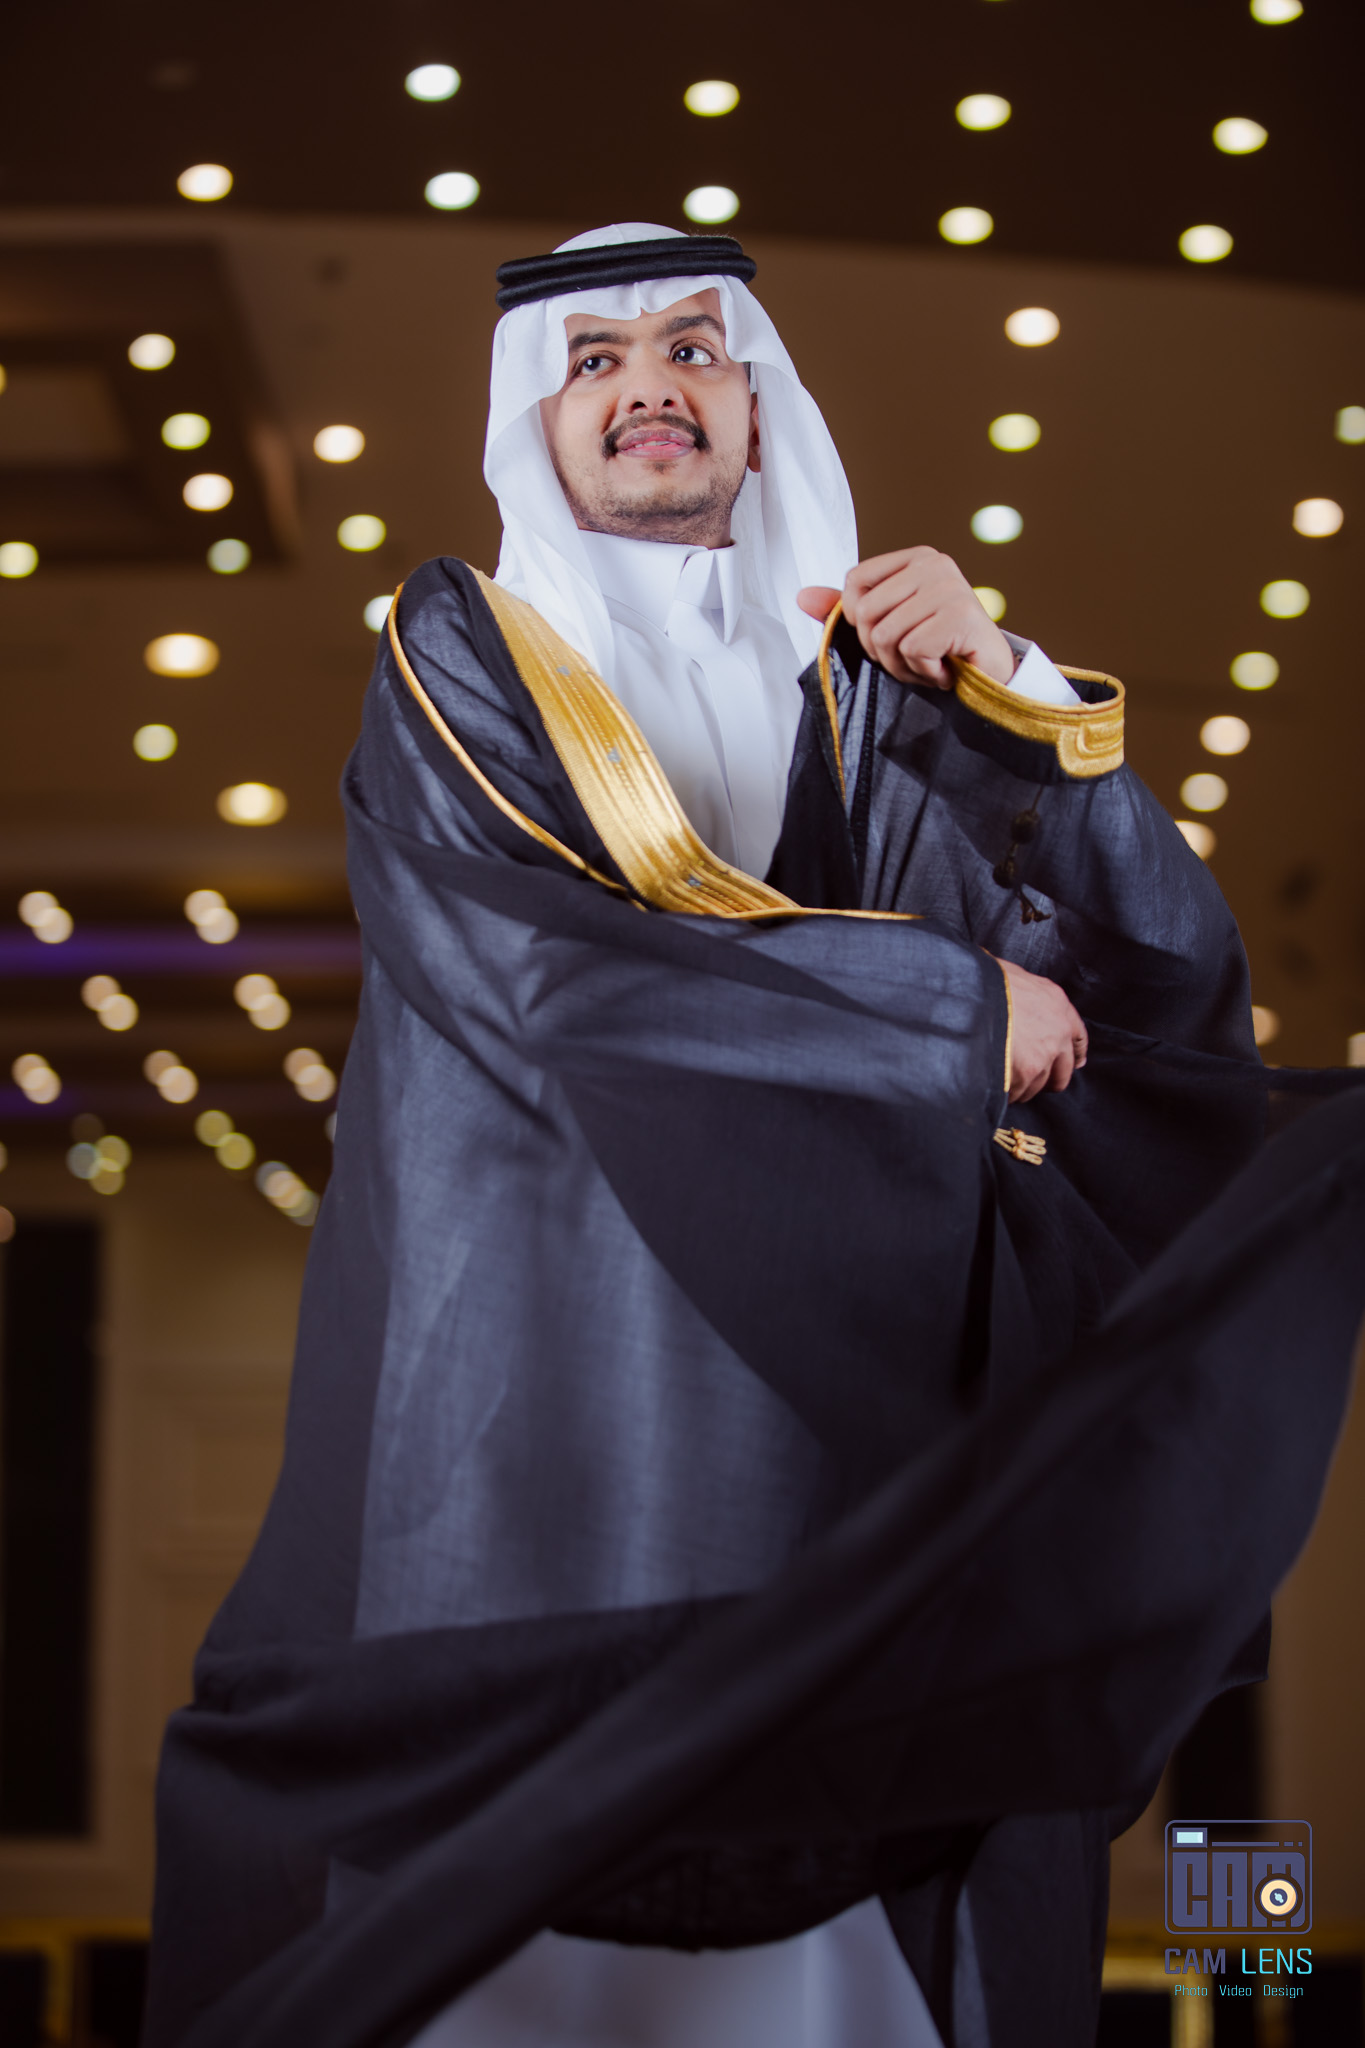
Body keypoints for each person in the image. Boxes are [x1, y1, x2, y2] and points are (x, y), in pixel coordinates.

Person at [144, 224, 1365, 2048]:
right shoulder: (463, 653)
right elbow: (541, 977)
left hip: (850, 1412)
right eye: (595, 358)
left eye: (692, 348)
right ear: (533, 417)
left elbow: (1141, 987)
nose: (648, 384)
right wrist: (941, 1015)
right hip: (556, 1410)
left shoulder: (873, 686)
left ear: (756, 401)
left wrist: (1005, 693)